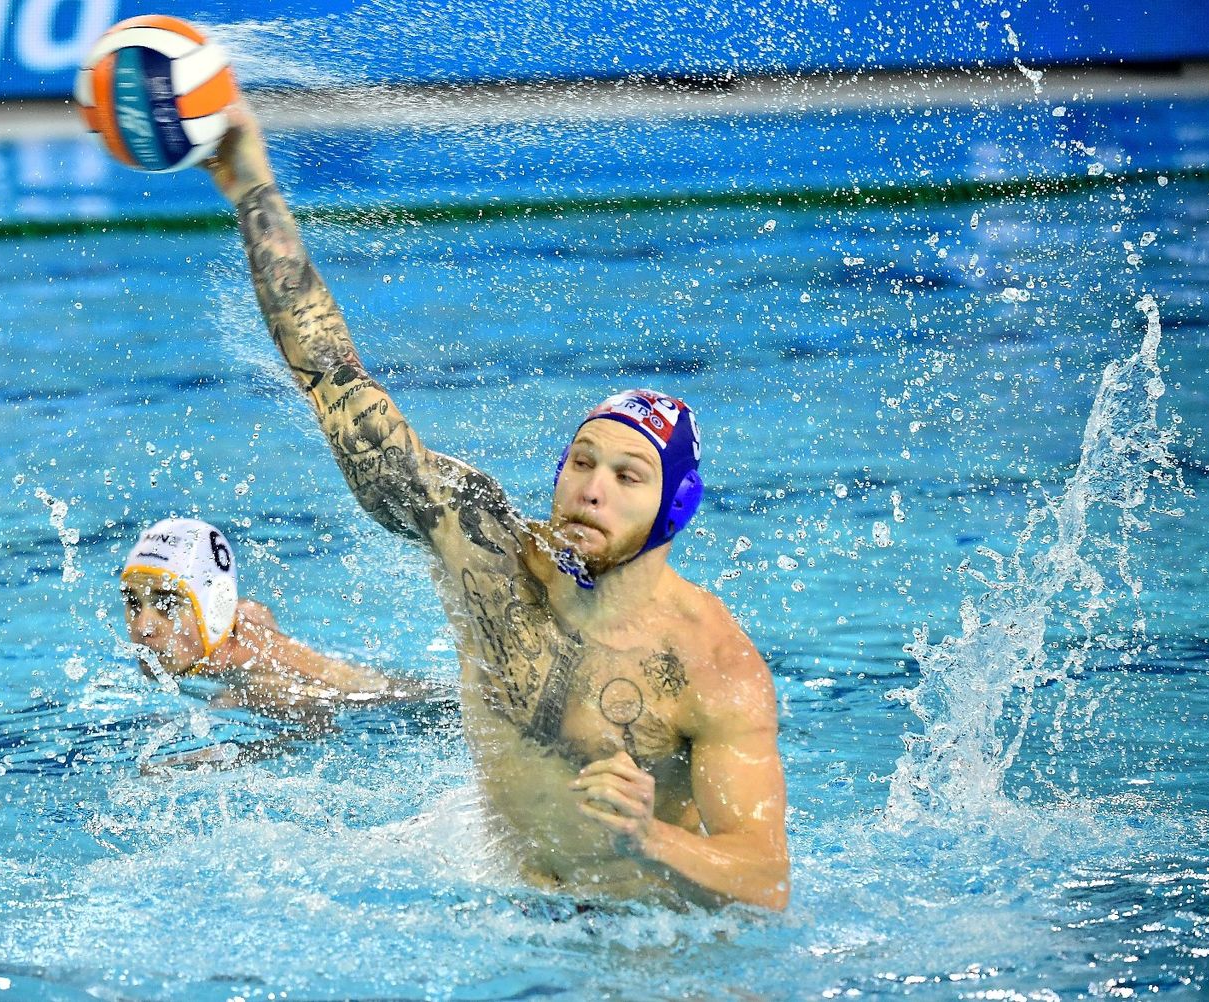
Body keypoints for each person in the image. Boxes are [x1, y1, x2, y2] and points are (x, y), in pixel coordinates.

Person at [191, 102, 789, 911]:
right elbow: (335, 379)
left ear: (675, 507)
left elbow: (766, 879)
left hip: (643, 939)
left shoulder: (711, 665)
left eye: (629, 476)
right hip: (503, 917)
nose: (593, 487)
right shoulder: (482, 549)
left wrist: (650, 837)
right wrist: (252, 190)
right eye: (582, 462)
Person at [121, 517, 432, 734]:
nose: (144, 627)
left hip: (402, 705)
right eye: (134, 602)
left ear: (213, 610)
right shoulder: (244, 619)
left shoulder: (261, 686)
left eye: (167, 604)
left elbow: (320, 733)